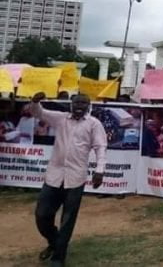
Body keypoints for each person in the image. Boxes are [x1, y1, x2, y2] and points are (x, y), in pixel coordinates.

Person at [30, 92, 106, 267]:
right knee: (42, 215)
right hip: (54, 176)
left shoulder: (94, 124)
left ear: (89, 105)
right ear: (71, 104)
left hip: (76, 178)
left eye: (84, 103)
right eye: (77, 102)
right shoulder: (61, 119)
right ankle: (54, 241)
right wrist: (35, 101)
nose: (80, 105)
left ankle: (58, 257)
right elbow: (39, 113)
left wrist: (99, 170)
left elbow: (100, 147)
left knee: (67, 220)